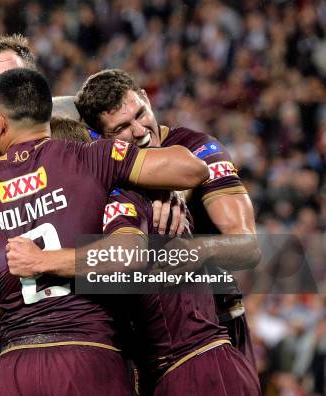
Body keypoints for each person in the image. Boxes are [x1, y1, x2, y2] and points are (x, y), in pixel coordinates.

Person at [0, 67, 208, 395]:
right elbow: (193, 169)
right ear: (46, 115)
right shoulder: (94, 157)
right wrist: (163, 187)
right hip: (88, 354)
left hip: (18, 363)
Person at [6, 120, 260, 395]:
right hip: (189, 366)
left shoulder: (119, 199)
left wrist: (41, 261)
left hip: (196, 369)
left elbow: (126, 256)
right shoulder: (140, 195)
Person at [74, 69, 260, 367]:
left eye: (140, 113)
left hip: (217, 328)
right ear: (98, 135)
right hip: (143, 339)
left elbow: (249, 248)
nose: (139, 130)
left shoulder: (200, 149)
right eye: (121, 127)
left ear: (147, 98)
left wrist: (201, 249)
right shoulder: (101, 162)